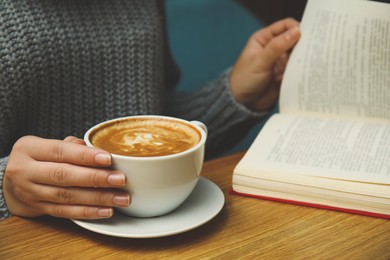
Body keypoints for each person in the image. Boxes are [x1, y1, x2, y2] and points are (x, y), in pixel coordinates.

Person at [0, 0, 300, 220]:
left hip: (171, 236)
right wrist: (7, 188)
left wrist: (233, 94)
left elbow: (151, 125)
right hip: (43, 241)